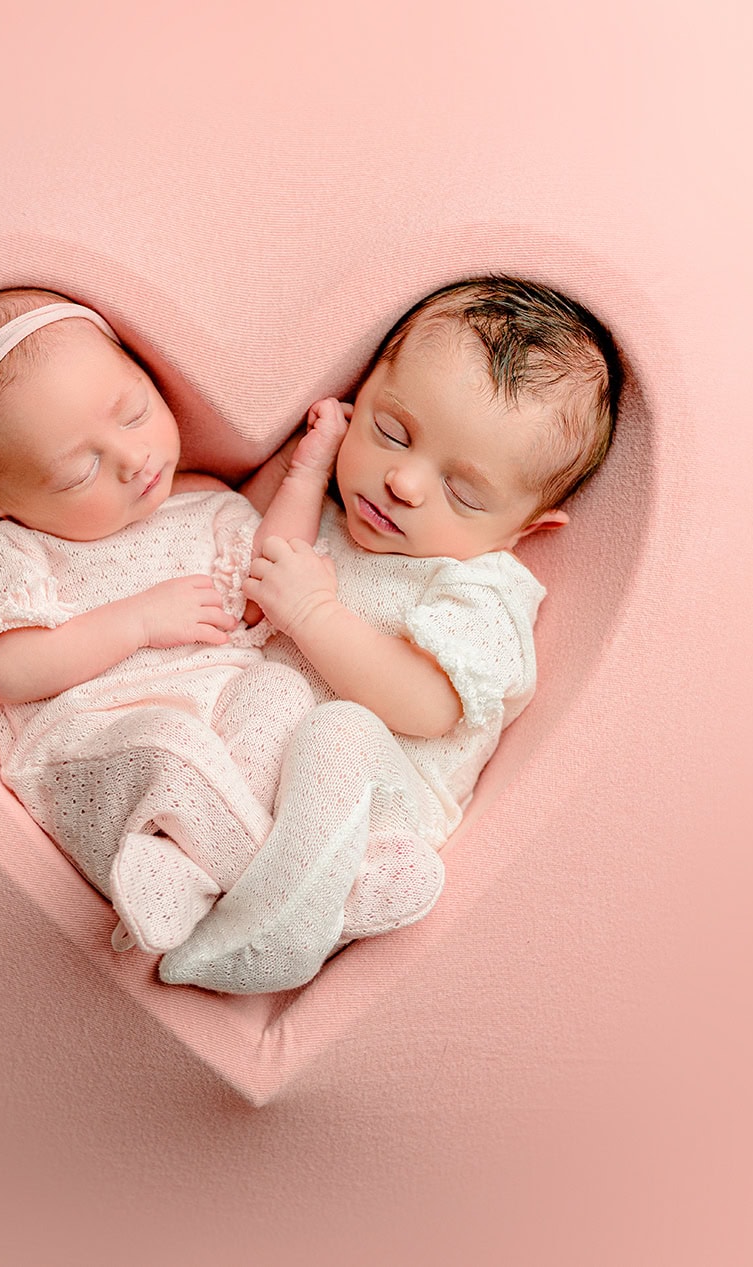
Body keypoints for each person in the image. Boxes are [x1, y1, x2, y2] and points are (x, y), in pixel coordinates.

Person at [158, 276, 624, 993]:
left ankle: (277, 929)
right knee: (263, 688)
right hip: (263, 771)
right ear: (364, 388)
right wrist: (304, 471)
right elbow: (245, 567)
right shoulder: (334, 512)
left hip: (384, 800)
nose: (403, 481)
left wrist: (315, 617)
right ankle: (201, 867)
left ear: (525, 530)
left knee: (339, 729)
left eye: (464, 493)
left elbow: (426, 706)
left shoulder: (481, 586)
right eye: (390, 431)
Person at [0, 288, 321, 957]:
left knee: (284, 694)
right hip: (99, 756)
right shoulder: (16, 550)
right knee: (171, 742)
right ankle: (304, 899)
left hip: (226, 755)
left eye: (134, 412)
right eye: (78, 472)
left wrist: (307, 466)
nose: (132, 459)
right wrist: (136, 621)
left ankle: (207, 879)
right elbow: (8, 671)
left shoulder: (205, 505)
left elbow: (265, 588)